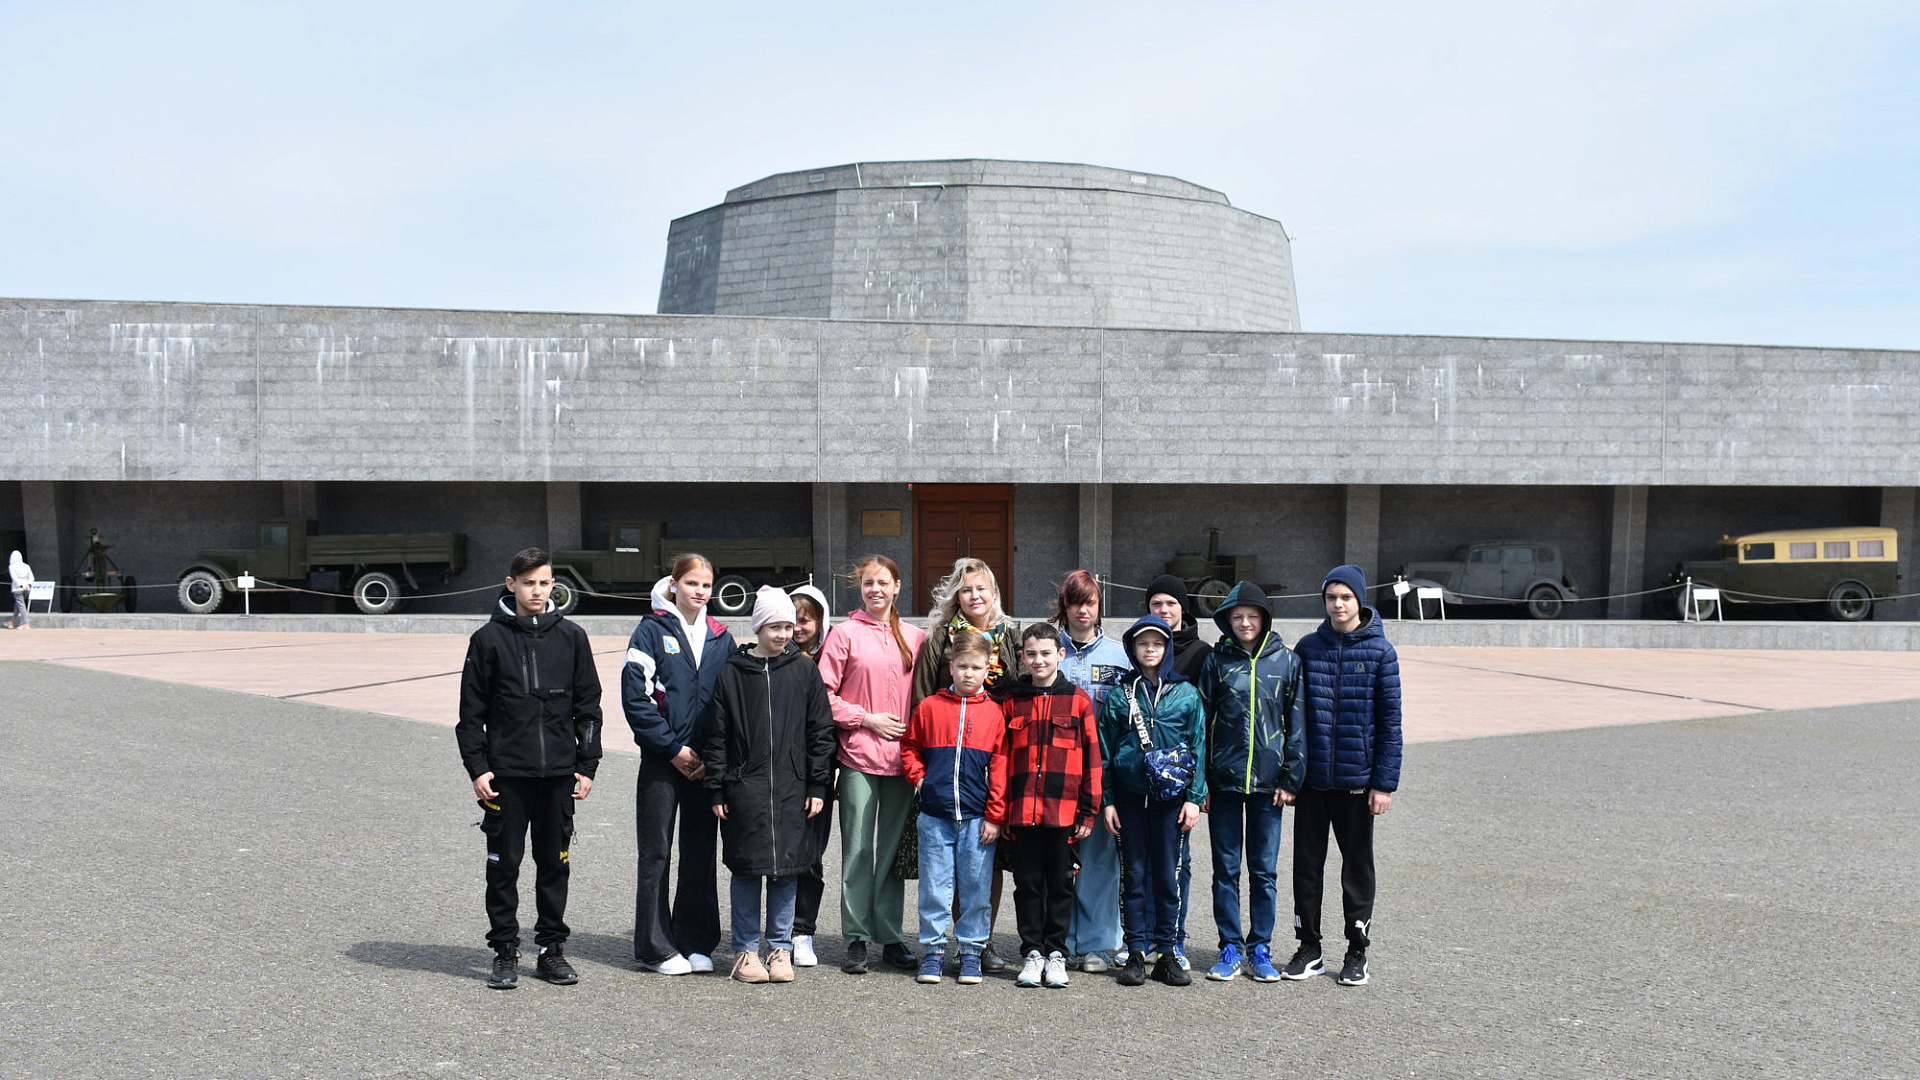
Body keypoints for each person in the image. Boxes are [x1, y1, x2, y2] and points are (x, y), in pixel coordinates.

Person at [455, 548, 602, 990]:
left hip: (559, 774)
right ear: (510, 584)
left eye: (544, 583)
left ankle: (551, 950)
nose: (538, 591)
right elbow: (469, 715)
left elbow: (588, 709)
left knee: (554, 864)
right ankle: (504, 950)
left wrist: (586, 764)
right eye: (529, 583)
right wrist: (478, 768)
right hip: (506, 777)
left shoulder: (572, 637)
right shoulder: (487, 640)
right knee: (504, 865)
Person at [705, 587, 836, 984]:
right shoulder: (732, 672)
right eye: (775, 626)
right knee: (747, 870)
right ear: (759, 627)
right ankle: (745, 950)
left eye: (788, 626)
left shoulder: (803, 670)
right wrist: (717, 787)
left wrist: (817, 784)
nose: (783, 634)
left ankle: (780, 947)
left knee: (787, 871)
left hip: (794, 789)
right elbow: (717, 736)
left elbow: (821, 732)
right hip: (745, 788)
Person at [1285, 565, 1402, 987]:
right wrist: (1291, 774)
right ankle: (1309, 946)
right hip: (1313, 782)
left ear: (1359, 600)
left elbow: (1391, 722)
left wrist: (1384, 783)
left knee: (1356, 868)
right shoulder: (1308, 648)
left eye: (1345, 597)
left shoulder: (1380, 653)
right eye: (1331, 597)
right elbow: (1292, 717)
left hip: (1358, 782)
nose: (1337, 604)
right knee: (1307, 867)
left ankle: (1357, 950)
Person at [816, 555, 927, 975]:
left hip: (902, 761)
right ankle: (856, 936)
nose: (875, 589)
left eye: (883, 582)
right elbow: (823, 695)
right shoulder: (843, 635)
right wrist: (866, 719)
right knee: (859, 850)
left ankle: (890, 935)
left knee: (892, 852)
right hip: (858, 756)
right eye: (867, 583)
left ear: (897, 586)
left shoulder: (915, 637)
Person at [623, 555, 734, 976]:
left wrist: (711, 754)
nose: (699, 591)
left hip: (705, 763)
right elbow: (636, 699)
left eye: (706, 584)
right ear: (674, 584)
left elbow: (729, 702)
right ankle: (655, 947)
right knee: (656, 852)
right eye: (691, 583)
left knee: (700, 852)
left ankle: (697, 941)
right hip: (662, 760)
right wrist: (672, 749)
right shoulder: (650, 631)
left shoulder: (721, 637)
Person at [910, 556, 1022, 972]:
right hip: (943, 770)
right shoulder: (940, 638)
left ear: (993, 592)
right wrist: (920, 774)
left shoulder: (1009, 636)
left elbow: (1022, 687)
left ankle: (979, 944)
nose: (974, 596)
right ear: (956, 594)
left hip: (992, 759)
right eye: (966, 588)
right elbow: (922, 701)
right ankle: (939, 946)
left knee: (984, 863)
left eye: (981, 588)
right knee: (942, 866)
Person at [1197, 580, 1306, 983]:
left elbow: (1296, 724)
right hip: (1223, 782)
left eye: (1252, 616)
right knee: (1225, 869)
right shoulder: (1216, 662)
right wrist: (1200, 783)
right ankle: (1229, 944)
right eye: (1237, 617)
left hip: (1269, 784)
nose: (1245, 623)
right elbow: (1201, 723)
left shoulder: (1286, 661)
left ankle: (1260, 946)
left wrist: (1291, 777)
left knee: (1263, 870)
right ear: (1227, 620)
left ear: (1264, 619)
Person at [1098, 615, 1206, 987]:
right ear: (1132, 648)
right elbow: (1106, 751)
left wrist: (1194, 798)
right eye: (1143, 644)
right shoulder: (1119, 694)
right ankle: (1136, 950)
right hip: (1129, 797)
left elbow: (1198, 746)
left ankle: (1168, 951)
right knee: (1134, 873)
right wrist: (1108, 800)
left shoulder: (1186, 693)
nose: (1150, 650)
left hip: (1171, 800)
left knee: (1168, 874)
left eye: (1157, 644)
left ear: (1167, 648)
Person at [995, 622, 1102, 988]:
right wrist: (1003, 810)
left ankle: (1056, 952)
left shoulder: (1078, 700)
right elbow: (1002, 758)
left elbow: (1092, 760)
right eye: (1031, 654)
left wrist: (1089, 810)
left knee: (1060, 883)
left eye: (1045, 654)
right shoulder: (1012, 700)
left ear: (1060, 655)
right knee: (1026, 884)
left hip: (1063, 812)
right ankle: (1032, 953)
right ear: (1022, 657)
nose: (1038, 661)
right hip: (1022, 811)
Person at [901, 632, 1007, 985]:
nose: (968, 673)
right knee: (934, 886)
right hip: (935, 815)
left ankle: (971, 952)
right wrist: (919, 779)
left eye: (976, 667)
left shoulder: (994, 714)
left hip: (978, 819)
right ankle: (932, 950)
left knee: (976, 888)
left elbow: (1001, 767)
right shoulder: (930, 707)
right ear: (951, 667)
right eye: (962, 666)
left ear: (987, 669)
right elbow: (910, 748)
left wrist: (995, 814)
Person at [1053, 570, 1131, 973]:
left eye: (1091, 603)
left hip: (1101, 772)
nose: (1083, 611)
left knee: (1100, 858)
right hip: (1056, 774)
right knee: (1059, 858)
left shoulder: (1121, 657)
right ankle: (1061, 939)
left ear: (1100, 607)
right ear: (1063, 607)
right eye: (1075, 602)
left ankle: (1100, 943)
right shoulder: (1049, 652)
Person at [1143, 573, 1207, 967]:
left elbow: (1204, 725)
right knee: (1139, 861)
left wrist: (1200, 789)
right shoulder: (1140, 650)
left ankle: (1173, 937)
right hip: (1143, 777)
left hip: (1181, 779)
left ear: (1183, 608)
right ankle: (1144, 935)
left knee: (1176, 862)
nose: (1164, 611)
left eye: (1170, 604)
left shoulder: (1201, 653)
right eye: (1156, 605)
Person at [783, 580, 834, 967]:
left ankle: (803, 931)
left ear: (821, 622)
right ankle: (778, 930)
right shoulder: (771, 656)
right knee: (778, 851)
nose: (799, 628)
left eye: (806, 620)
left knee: (811, 854)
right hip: (778, 770)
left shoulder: (829, 660)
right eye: (792, 620)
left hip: (818, 769)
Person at [7, 550, 31, 629]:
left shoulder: (11, 567)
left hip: (17, 589)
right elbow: (31, 577)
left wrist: (21, 584)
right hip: (26, 588)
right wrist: (27, 584)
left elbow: (14, 578)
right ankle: (12, 622)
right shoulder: (26, 566)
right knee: (18, 605)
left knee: (21, 605)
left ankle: (26, 623)